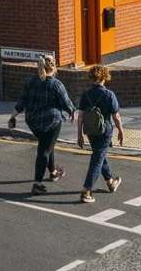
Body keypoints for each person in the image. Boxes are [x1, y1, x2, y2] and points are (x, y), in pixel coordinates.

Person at [9, 56, 74, 194]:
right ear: (54, 67)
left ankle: (53, 172)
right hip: (52, 122)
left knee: (46, 144)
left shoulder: (30, 81)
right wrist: (73, 112)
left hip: (33, 121)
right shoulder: (56, 84)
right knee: (44, 151)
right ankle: (37, 184)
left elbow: (21, 102)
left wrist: (12, 116)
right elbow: (66, 103)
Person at [74, 64, 125, 204]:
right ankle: (86, 191)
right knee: (97, 159)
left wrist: (79, 134)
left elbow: (81, 116)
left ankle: (110, 182)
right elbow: (116, 117)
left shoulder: (86, 95)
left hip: (90, 131)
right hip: (104, 131)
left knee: (99, 154)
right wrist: (120, 130)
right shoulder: (109, 95)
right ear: (104, 77)